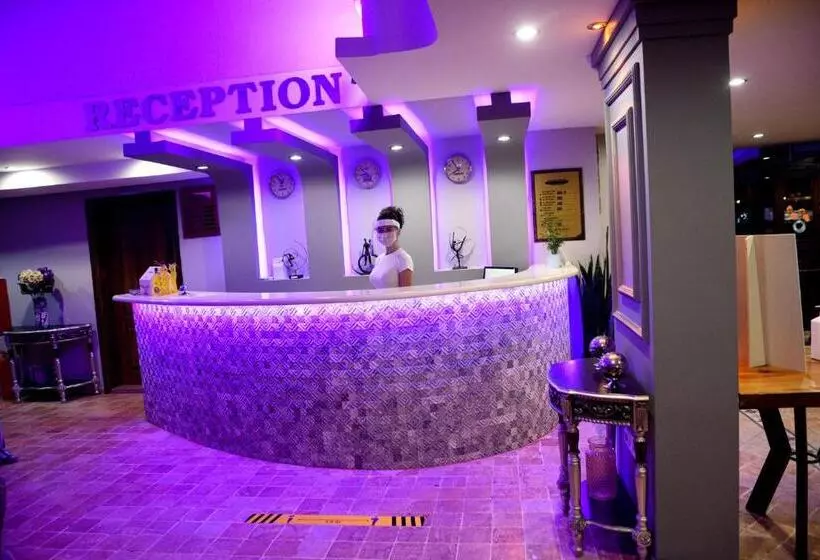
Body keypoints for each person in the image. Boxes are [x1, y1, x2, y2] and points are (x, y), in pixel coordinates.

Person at [369, 206, 414, 289]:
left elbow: (406, 294)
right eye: (381, 230)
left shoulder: (403, 259)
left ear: (398, 231)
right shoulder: (379, 259)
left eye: (389, 229)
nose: (384, 234)